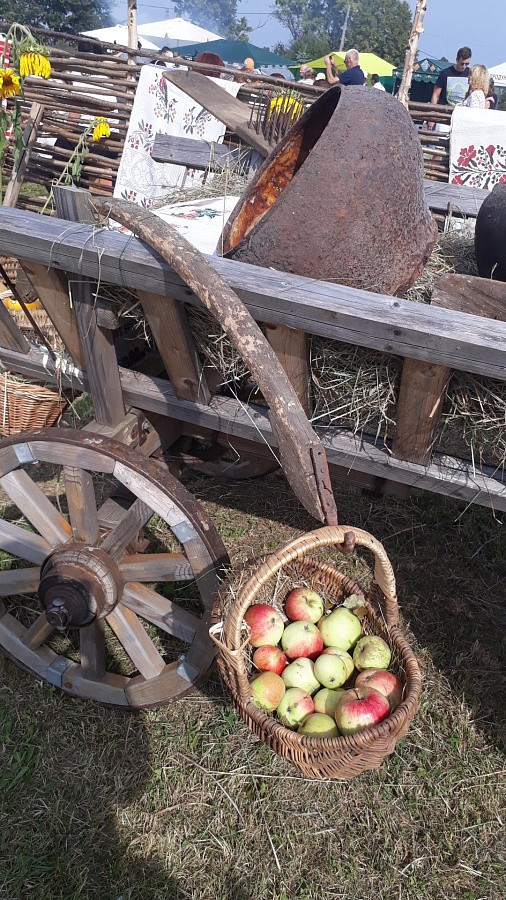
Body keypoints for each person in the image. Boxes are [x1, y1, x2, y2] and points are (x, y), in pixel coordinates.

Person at [429, 46, 472, 124]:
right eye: (462, 63)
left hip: (461, 118)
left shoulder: (470, 74)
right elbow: (435, 95)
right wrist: (432, 117)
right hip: (443, 115)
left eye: (467, 64)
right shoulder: (445, 73)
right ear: (456, 60)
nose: (464, 66)